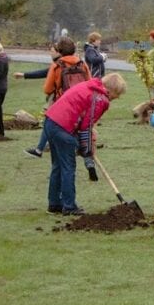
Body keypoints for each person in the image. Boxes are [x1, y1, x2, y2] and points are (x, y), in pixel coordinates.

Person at [42, 72, 127, 215]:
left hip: (51, 123)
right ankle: (69, 207)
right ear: (112, 90)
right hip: (63, 128)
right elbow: (86, 127)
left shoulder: (89, 86)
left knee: (58, 166)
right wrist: (87, 149)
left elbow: (84, 121)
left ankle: (54, 204)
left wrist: (87, 145)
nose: (116, 98)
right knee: (68, 168)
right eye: (117, 94)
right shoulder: (101, 99)